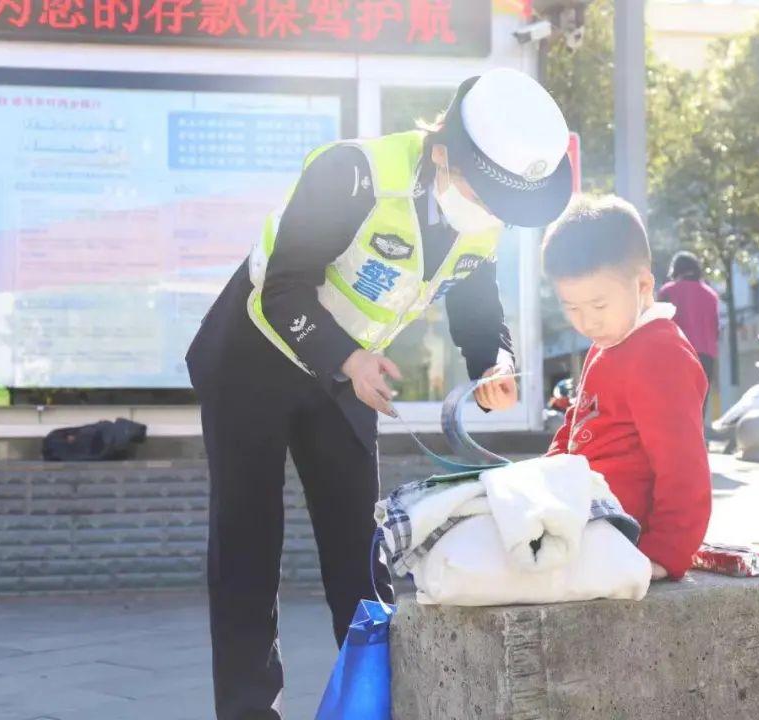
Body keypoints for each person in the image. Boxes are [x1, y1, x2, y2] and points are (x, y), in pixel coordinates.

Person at [185, 68, 574, 720]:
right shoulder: (354, 174)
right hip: (253, 355)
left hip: (344, 376)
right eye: (488, 193)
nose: (494, 213)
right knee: (249, 548)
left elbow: (479, 311)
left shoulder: (483, 219)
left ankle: (370, 706)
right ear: (444, 151)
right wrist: (348, 358)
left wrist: (494, 363)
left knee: (361, 556)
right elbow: (282, 289)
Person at [543, 195, 711, 581]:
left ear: (643, 285)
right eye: (572, 308)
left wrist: (664, 554)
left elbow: (683, 465)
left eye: (598, 306)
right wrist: (546, 479)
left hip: (621, 532)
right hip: (580, 516)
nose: (586, 321)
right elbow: (574, 424)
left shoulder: (659, 352)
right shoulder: (608, 342)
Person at [658, 251, 720, 416]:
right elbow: (716, 330)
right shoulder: (711, 295)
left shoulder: (668, 291)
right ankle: (697, 440)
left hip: (677, 353)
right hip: (706, 357)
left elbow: (658, 326)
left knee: (675, 403)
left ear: (676, 270)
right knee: (699, 406)